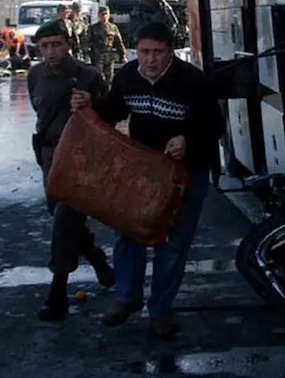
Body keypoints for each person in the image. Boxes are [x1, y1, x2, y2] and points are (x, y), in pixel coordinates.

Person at [71, 22, 222, 340]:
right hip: (142, 172)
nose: (150, 60)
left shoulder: (193, 82)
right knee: (128, 234)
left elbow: (215, 127)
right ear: (135, 51)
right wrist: (89, 106)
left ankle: (161, 311)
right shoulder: (127, 77)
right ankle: (127, 298)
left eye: (158, 53)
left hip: (186, 173)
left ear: (170, 52)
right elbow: (112, 111)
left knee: (174, 243)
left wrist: (187, 140)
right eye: (144, 52)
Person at [27, 18, 116, 321]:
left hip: (80, 157)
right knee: (62, 216)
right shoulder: (35, 75)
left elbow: (111, 117)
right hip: (50, 155)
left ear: (68, 44)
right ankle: (95, 256)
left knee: (65, 220)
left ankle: (57, 292)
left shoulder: (87, 76)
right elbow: (39, 113)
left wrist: (92, 104)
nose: (51, 52)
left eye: (57, 44)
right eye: (45, 46)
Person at [86, 6, 126, 84]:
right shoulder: (93, 28)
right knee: (98, 77)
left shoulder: (113, 27)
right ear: (98, 16)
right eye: (102, 15)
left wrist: (123, 55)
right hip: (97, 56)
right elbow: (86, 42)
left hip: (109, 56)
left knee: (109, 78)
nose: (104, 17)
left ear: (109, 15)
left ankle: (107, 94)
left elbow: (118, 42)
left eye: (106, 14)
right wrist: (87, 54)